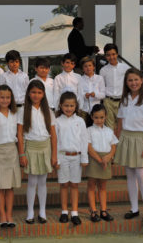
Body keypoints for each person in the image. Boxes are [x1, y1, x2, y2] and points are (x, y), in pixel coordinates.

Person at [114, 68, 143, 231]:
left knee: (142, 175)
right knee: (130, 174)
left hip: (141, 139)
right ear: (126, 83)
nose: (133, 83)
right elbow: (119, 122)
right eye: (130, 80)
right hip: (125, 137)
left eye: (136, 80)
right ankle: (134, 208)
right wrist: (116, 142)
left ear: (141, 80)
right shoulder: (124, 99)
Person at [17, 80, 57, 224]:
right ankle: (30, 212)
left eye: (39, 92)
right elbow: (20, 134)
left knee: (42, 181)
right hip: (31, 148)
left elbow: (53, 135)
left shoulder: (49, 111)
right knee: (32, 181)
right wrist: (21, 154)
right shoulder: (22, 110)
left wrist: (54, 155)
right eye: (33, 92)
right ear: (28, 93)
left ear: (43, 94)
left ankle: (42, 211)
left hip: (45, 147)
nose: (36, 95)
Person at [0, 85, 21, 228]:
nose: (5, 100)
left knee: (10, 186)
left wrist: (21, 154)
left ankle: (9, 215)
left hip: (12, 151)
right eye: (2, 97)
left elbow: (19, 135)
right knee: (0, 187)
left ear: (11, 99)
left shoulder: (15, 114)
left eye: (7, 97)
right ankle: (2, 215)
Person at [55, 91, 88, 226]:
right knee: (64, 184)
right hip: (62, 156)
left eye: (71, 106)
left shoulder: (80, 121)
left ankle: (74, 212)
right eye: (66, 106)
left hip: (76, 157)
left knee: (74, 184)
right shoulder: (57, 122)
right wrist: (56, 159)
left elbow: (84, 140)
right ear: (61, 106)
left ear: (76, 106)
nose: (69, 108)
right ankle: (64, 211)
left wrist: (84, 158)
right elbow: (55, 141)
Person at [86, 104, 118, 223]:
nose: (99, 120)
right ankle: (93, 210)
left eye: (101, 117)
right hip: (94, 159)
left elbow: (113, 145)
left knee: (103, 186)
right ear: (92, 117)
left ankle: (103, 210)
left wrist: (109, 157)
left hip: (106, 159)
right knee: (91, 185)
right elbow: (88, 147)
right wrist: (99, 160)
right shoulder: (88, 130)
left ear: (105, 117)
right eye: (96, 118)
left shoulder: (109, 130)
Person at [99, 43, 129, 130]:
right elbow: (101, 86)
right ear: (105, 56)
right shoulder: (103, 70)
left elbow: (128, 84)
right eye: (108, 55)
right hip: (108, 101)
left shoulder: (125, 68)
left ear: (117, 54)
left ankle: (121, 144)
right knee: (109, 127)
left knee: (123, 126)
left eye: (113, 54)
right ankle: (111, 144)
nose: (111, 57)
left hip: (122, 100)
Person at [78, 56, 105, 127]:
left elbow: (103, 94)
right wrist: (84, 95)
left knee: (97, 128)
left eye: (90, 65)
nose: (88, 68)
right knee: (84, 128)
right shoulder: (80, 79)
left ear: (93, 67)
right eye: (85, 66)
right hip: (84, 109)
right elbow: (78, 94)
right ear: (82, 69)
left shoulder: (99, 78)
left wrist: (95, 94)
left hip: (96, 109)